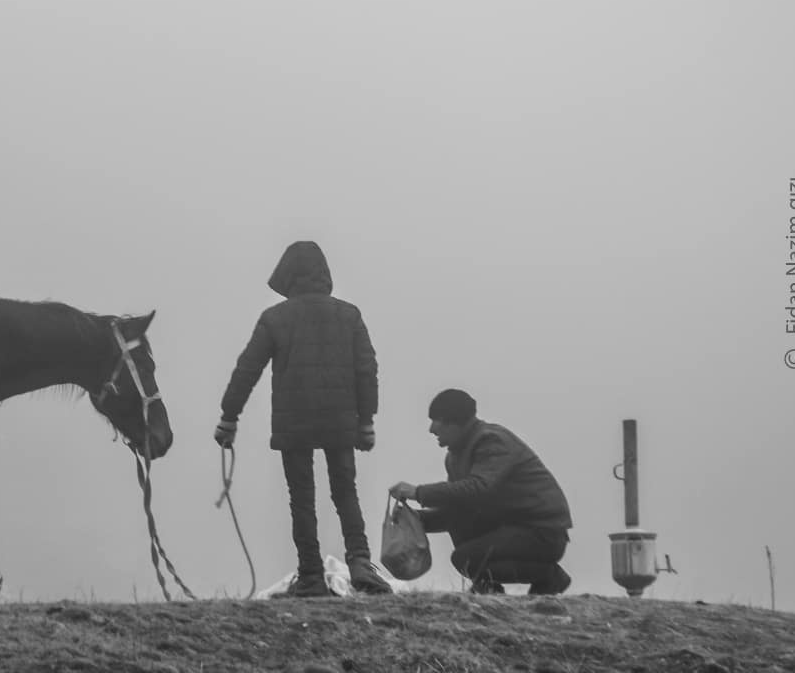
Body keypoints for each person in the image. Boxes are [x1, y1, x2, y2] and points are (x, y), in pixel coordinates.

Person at [214, 240, 391, 596]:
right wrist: (366, 420)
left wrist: (229, 417)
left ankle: (311, 576)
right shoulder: (349, 315)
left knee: (302, 498)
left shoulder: (275, 319)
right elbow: (366, 369)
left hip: (293, 421)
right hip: (341, 420)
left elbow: (247, 369)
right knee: (346, 493)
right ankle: (360, 564)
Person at [388, 389, 572, 595]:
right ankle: (488, 589)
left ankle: (548, 576)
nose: (431, 429)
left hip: (541, 532)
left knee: (463, 558)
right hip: (510, 527)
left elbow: (479, 489)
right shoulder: (455, 456)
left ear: (454, 422)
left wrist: (419, 492)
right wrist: (418, 520)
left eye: (436, 420)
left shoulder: (491, 440)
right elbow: (459, 509)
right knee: (463, 535)